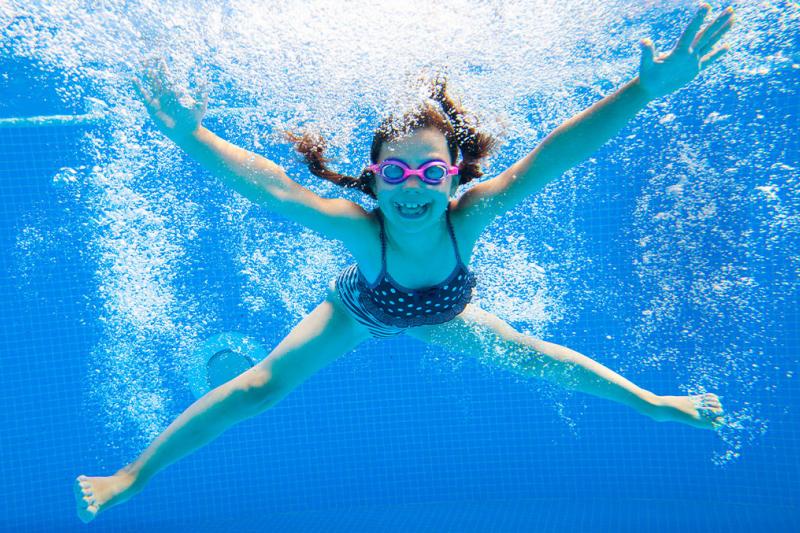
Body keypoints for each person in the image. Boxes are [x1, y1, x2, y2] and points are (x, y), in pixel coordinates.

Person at [75, 4, 734, 523]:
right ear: (374, 178)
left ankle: (650, 403)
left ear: (454, 177)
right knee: (259, 386)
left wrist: (642, 92)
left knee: (538, 354)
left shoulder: (470, 216)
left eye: (428, 172)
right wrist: (193, 134)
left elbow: (556, 156)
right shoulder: (364, 235)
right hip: (362, 309)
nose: (412, 188)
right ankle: (131, 474)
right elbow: (273, 185)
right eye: (395, 171)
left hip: (447, 313)